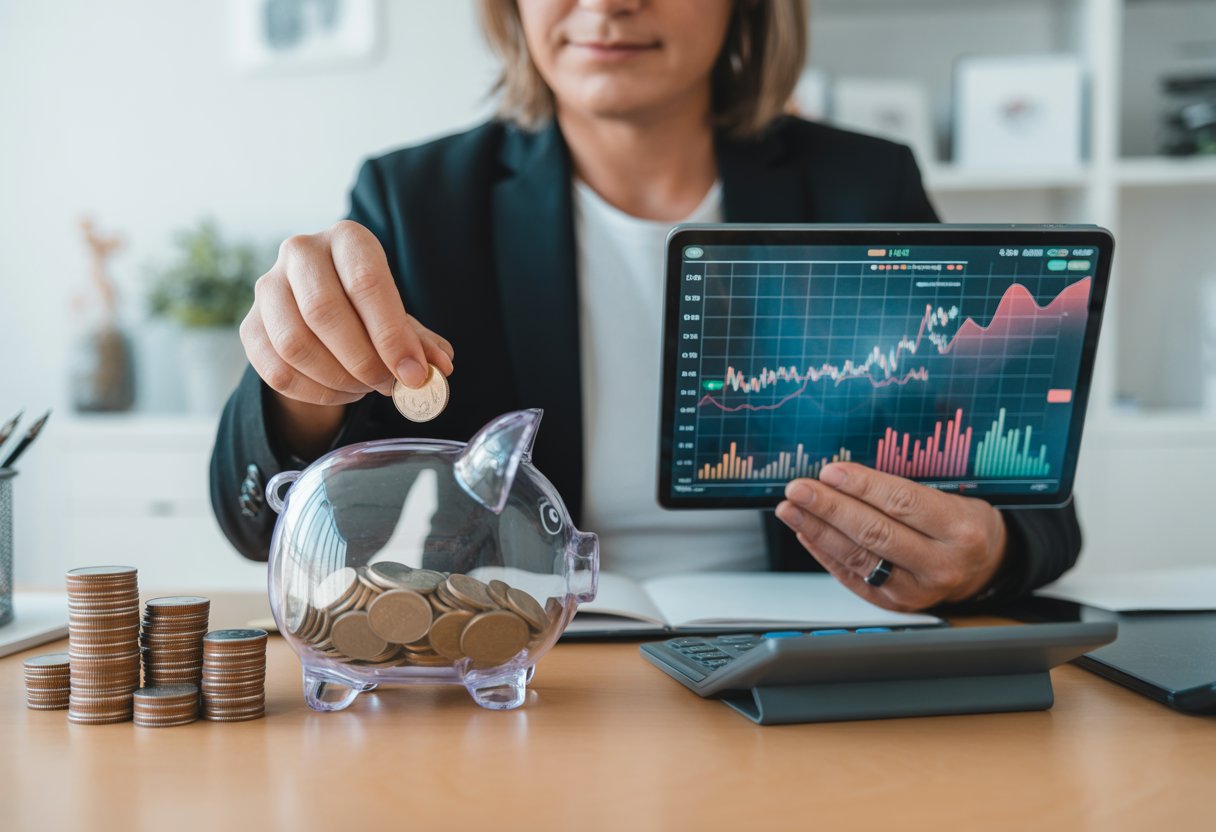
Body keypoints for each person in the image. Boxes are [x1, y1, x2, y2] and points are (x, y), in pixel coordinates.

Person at [210, 0, 1080, 612]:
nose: (609, 3)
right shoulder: (415, 197)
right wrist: (300, 391)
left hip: (804, 655)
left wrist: (984, 554)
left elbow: (1036, 506)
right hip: (529, 671)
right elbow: (260, 524)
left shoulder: (863, 182)